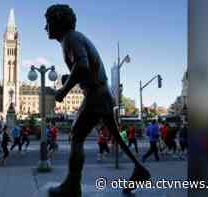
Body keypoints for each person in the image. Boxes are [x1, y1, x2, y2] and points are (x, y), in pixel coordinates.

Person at [44, 4, 150, 196]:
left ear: (58, 22)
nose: (46, 28)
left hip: (95, 95)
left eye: (48, 22)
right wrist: (71, 79)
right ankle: (139, 169)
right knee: (117, 136)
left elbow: (82, 66)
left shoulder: (70, 38)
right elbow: (86, 69)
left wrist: (64, 90)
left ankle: (72, 186)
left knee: (76, 136)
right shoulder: (75, 38)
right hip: (102, 93)